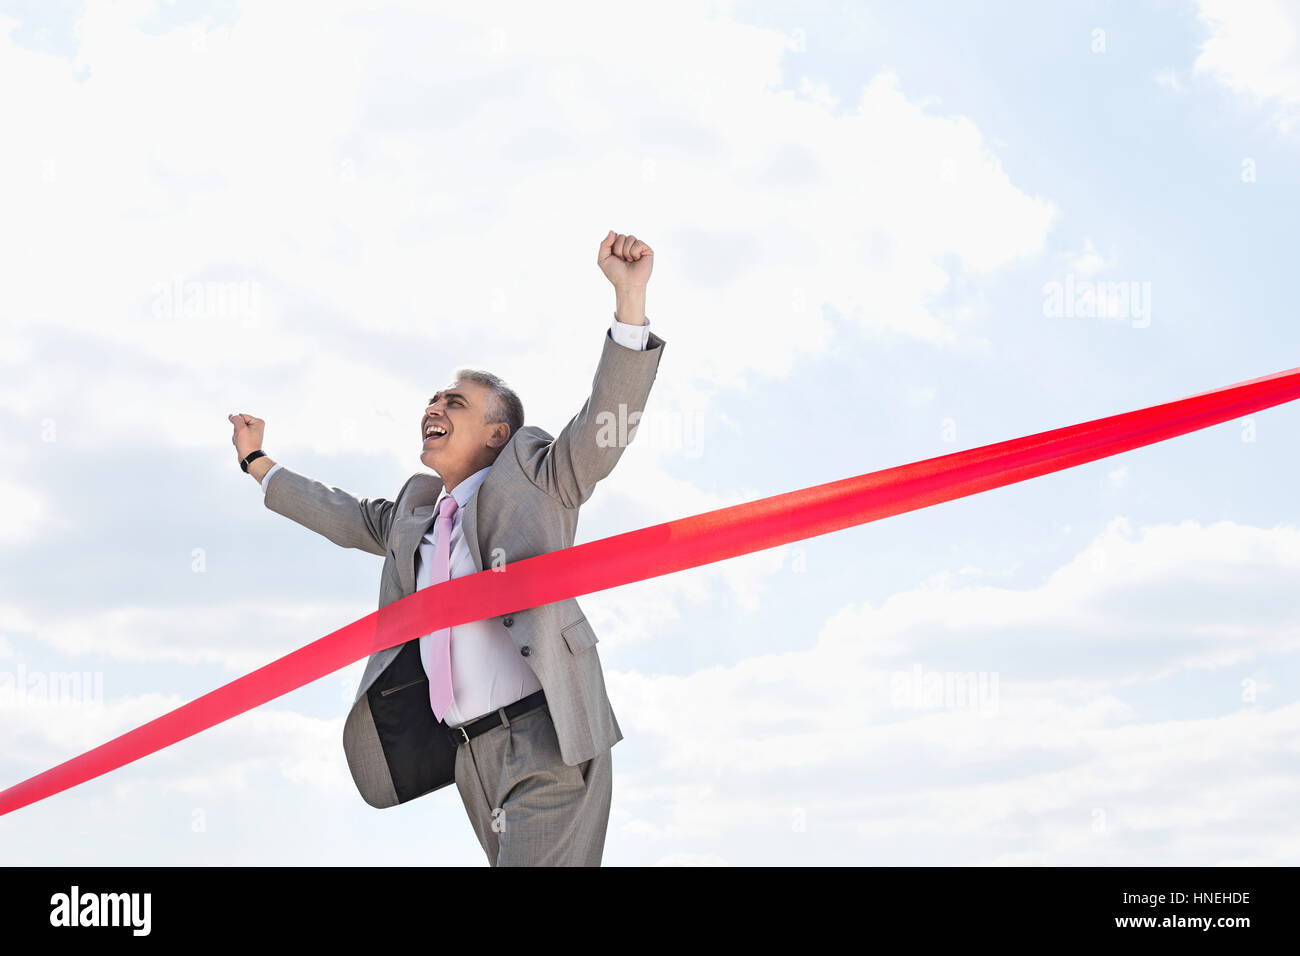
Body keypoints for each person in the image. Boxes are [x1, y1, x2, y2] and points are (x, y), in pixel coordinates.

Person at [227, 230, 665, 866]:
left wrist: (630, 302)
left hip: (546, 741)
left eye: (454, 402)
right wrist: (258, 463)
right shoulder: (415, 514)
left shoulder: (537, 478)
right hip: (471, 756)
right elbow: (342, 514)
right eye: (433, 399)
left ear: (497, 433)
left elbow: (603, 428)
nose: (434, 407)